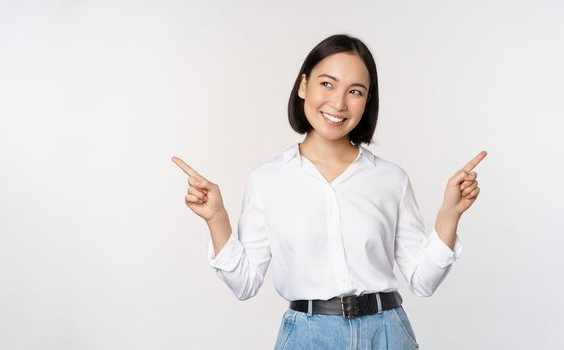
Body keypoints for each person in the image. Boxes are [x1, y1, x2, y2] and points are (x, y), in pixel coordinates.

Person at [171, 34, 486, 349]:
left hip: (387, 333)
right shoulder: (267, 179)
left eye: (355, 91)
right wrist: (216, 218)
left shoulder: (391, 179)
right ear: (303, 86)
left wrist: (449, 213)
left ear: (367, 100)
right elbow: (244, 284)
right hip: (307, 337)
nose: (338, 103)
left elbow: (424, 280)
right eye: (327, 84)